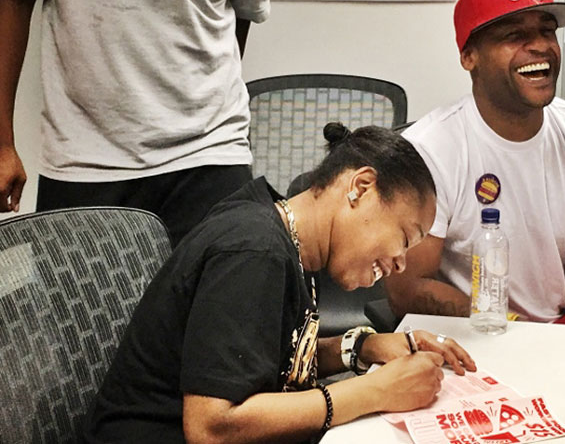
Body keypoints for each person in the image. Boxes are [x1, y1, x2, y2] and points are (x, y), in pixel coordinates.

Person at [82, 123, 477, 443]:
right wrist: (374, 391)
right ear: (360, 187)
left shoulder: (288, 238)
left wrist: (361, 347)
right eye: (404, 238)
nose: (399, 264)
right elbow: (211, 427)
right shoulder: (254, 251)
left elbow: (272, 358)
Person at [385, 0, 565, 327]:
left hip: (558, 330)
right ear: (469, 57)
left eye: (546, 31)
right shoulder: (429, 149)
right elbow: (409, 289)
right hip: (468, 336)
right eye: (514, 35)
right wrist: (506, 325)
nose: (540, 46)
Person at [0, 0, 270, 245]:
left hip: (211, 154)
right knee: (71, 290)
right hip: (86, 160)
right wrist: (3, 145)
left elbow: (240, 9)